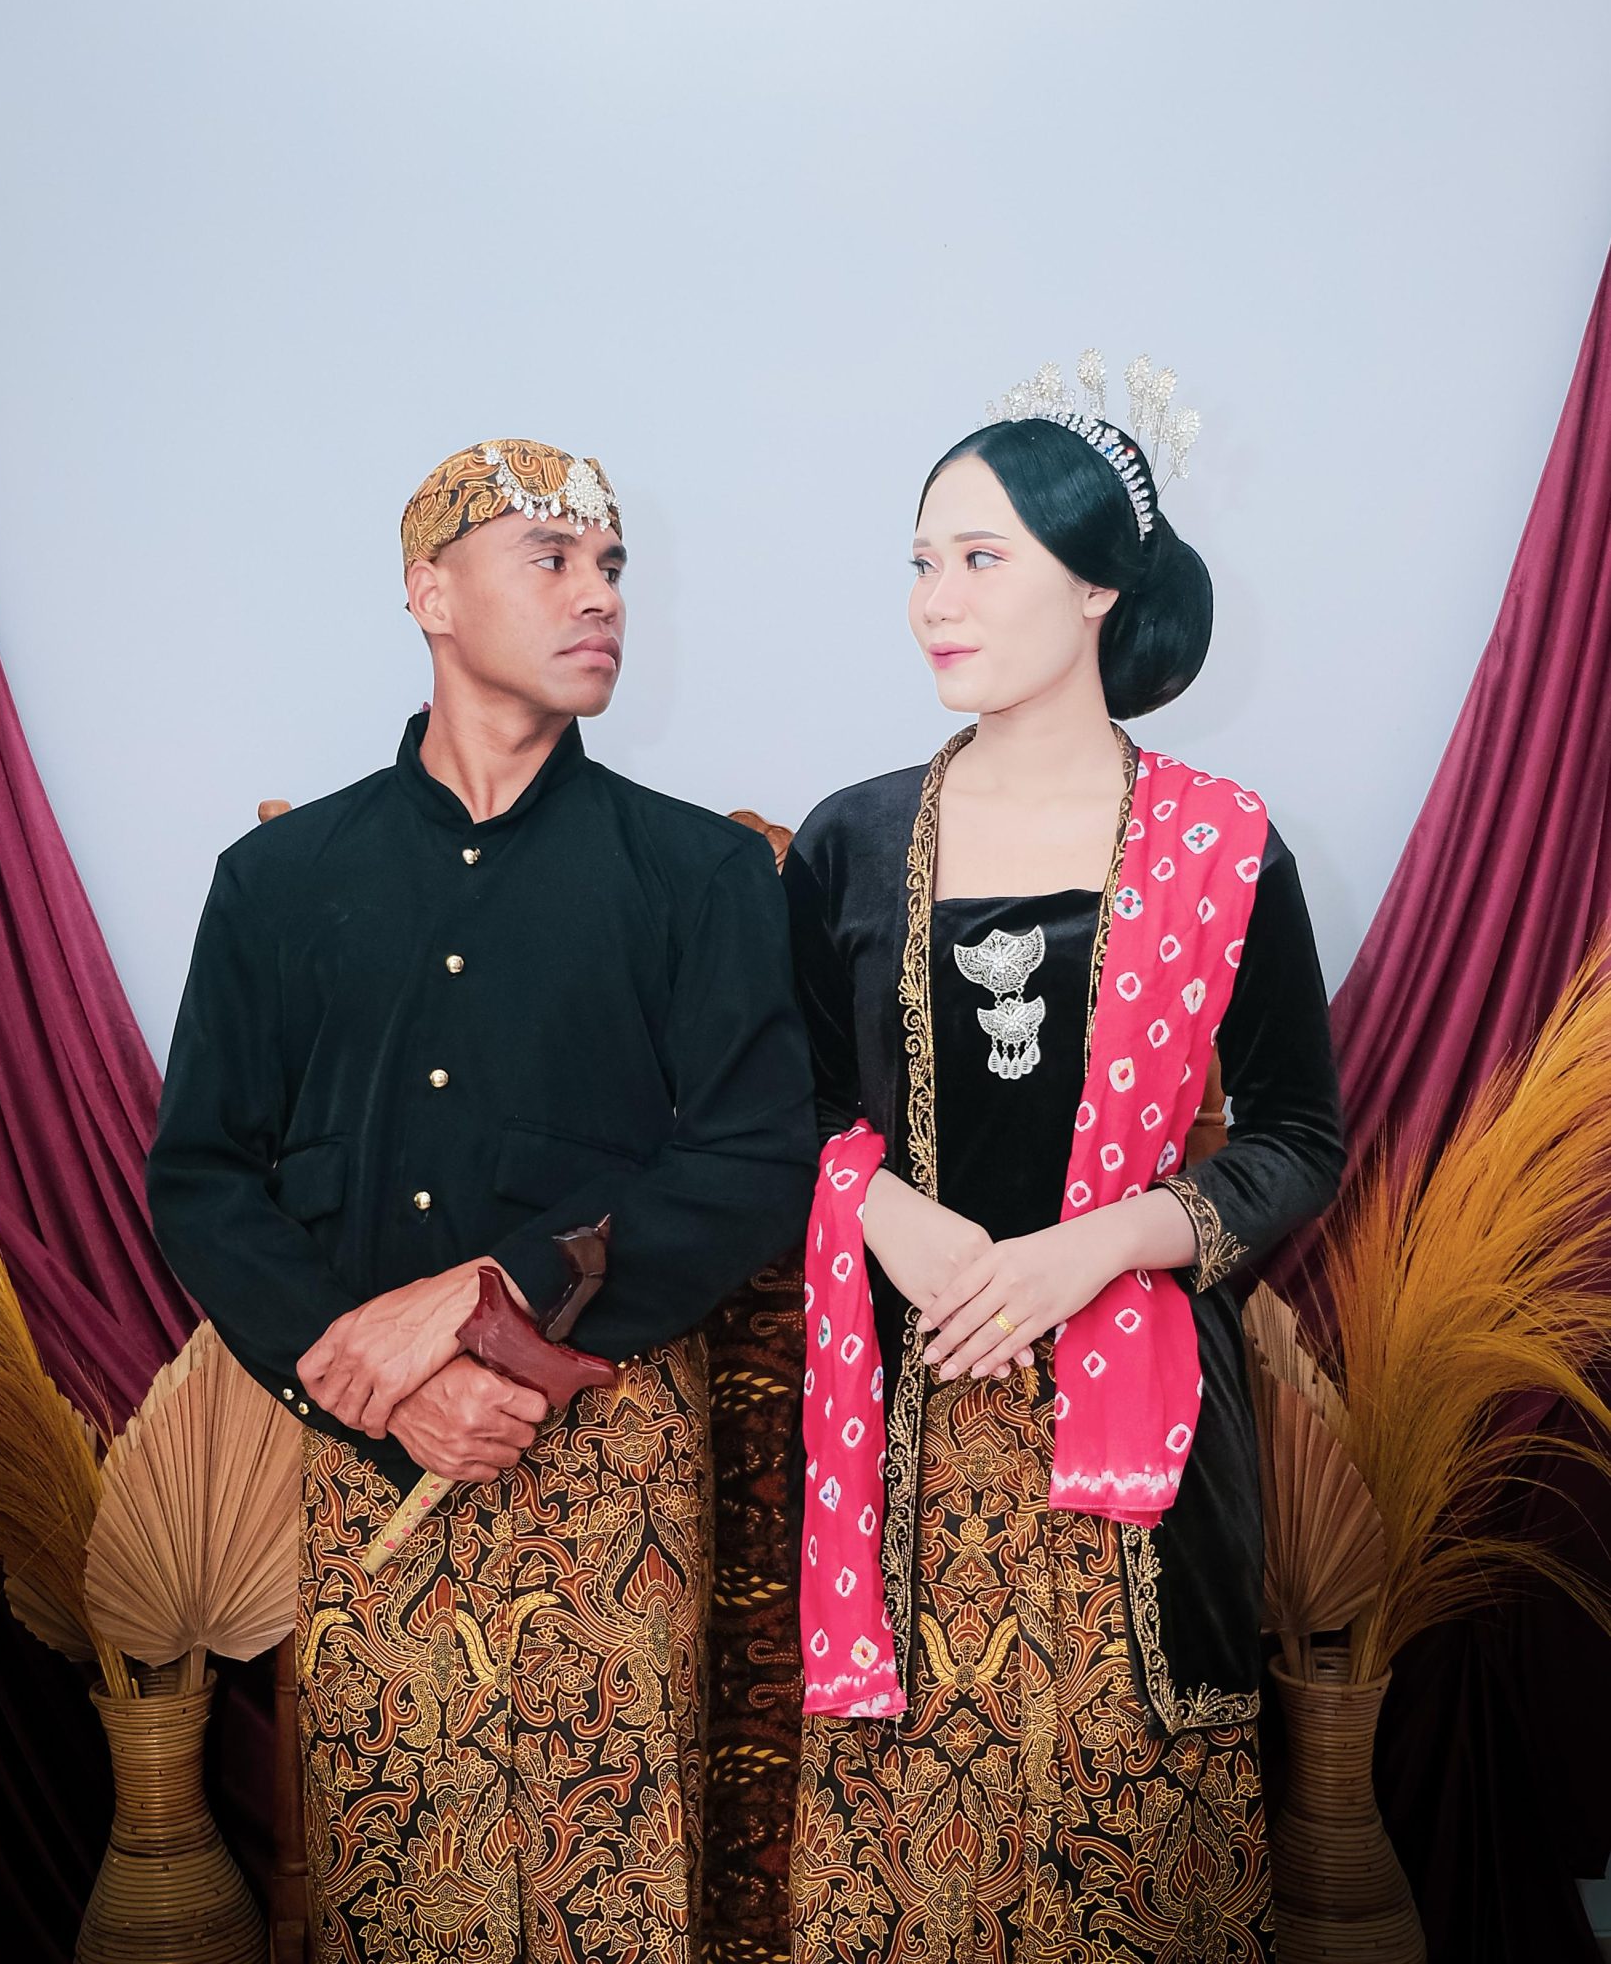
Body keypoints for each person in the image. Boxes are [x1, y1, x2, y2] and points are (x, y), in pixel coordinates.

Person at [148, 434, 819, 1964]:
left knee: (613, 1888)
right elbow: (202, 1176)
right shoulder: (278, 882)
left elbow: (752, 1161)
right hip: (368, 1458)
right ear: (429, 593)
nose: (601, 596)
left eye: (614, 567)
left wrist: (485, 1294)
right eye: (552, 558)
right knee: (402, 1884)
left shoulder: (699, 876)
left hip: (604, 1453)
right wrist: (372, 1381)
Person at [782, 363, 1344, 1963]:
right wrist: (877, 1206)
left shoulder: (1224, 842)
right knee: (907, 1883)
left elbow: (1297, 1139)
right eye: (919, 560)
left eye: (980, 558)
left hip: (1142, 1444)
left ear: (1098, 586)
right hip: (899, 1427)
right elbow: (775, 1114)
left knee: (1135, 1866)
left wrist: (1098, 1242)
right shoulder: (846, 841)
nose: (933, 601)